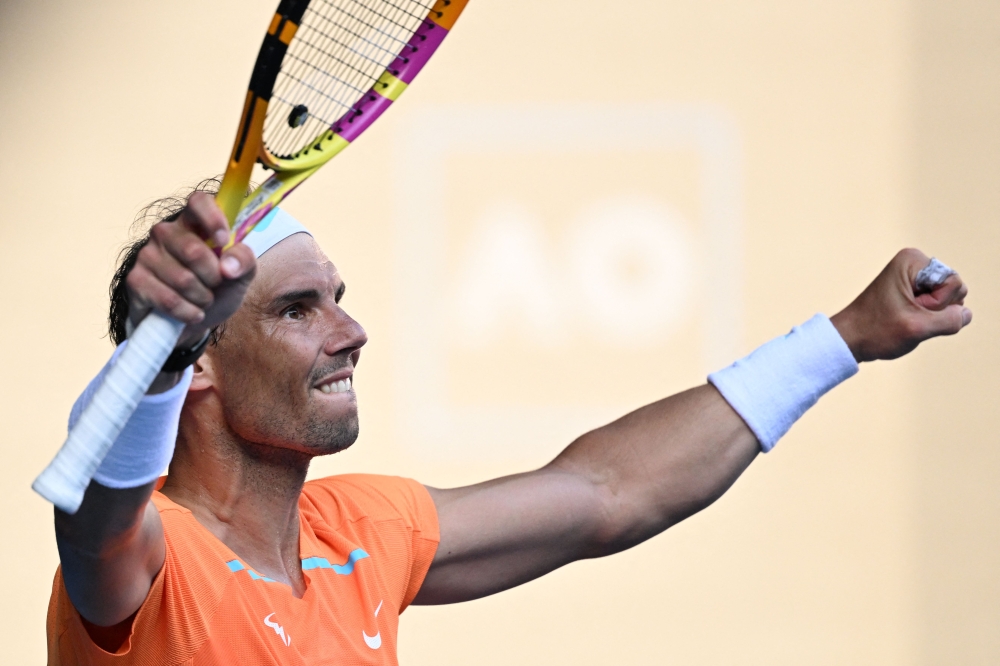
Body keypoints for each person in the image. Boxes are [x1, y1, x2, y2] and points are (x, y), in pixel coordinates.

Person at [46, 183, 971, 664]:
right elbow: (93, 511)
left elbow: (609, 491)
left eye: (340, 299)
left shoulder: (359, 535)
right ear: (195, 365)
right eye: (298, 310)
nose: (352, 331)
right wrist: (152, 349)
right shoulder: (150, 560)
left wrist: (844, 337)